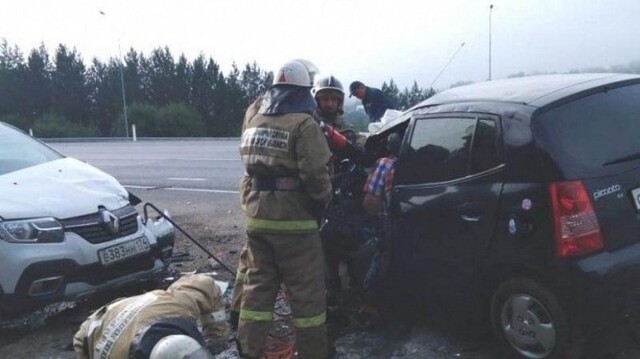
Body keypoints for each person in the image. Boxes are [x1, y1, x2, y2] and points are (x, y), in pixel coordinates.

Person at [237, 59, 332, 358]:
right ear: (304, 89)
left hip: (258, 219)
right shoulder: (304, 124)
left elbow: (248, 168)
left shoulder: (255, 120)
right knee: (307, 299)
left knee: (257, 290)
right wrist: (322, 204)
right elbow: (316, 175)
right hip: (295, 225)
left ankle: (248, 350)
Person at [73, 274, 227, 359]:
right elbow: (81, 338)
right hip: (97, 323)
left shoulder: (180, 305)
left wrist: (215, 340)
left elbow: (206, 284)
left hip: (149, 307)